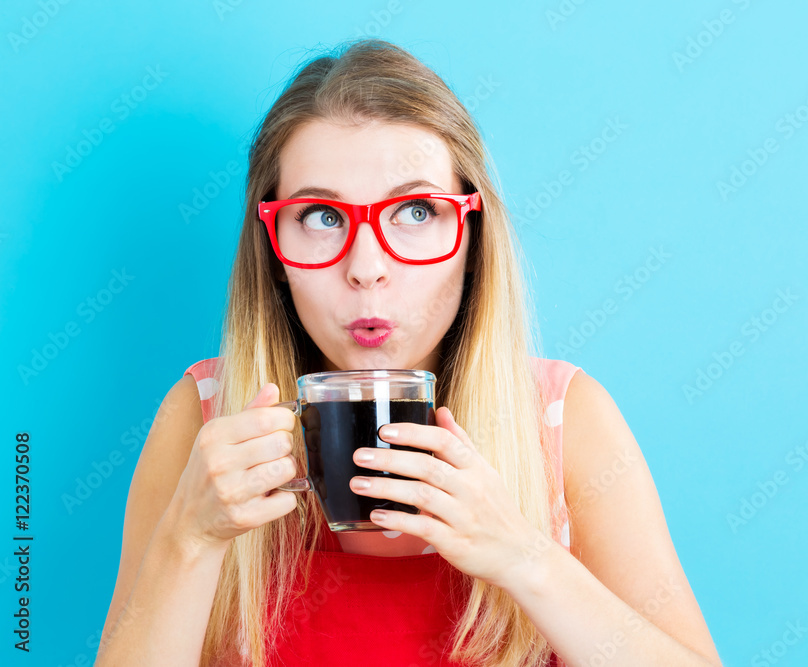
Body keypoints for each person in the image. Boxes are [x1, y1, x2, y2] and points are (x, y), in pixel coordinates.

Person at [96, 39, 722, 667]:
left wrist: (525, 558)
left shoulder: (564, 423)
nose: (366, 267)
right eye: (320, 216)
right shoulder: (205, 418)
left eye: (416, 210)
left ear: (472, 236)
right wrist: (190, 539)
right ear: (272, 250)